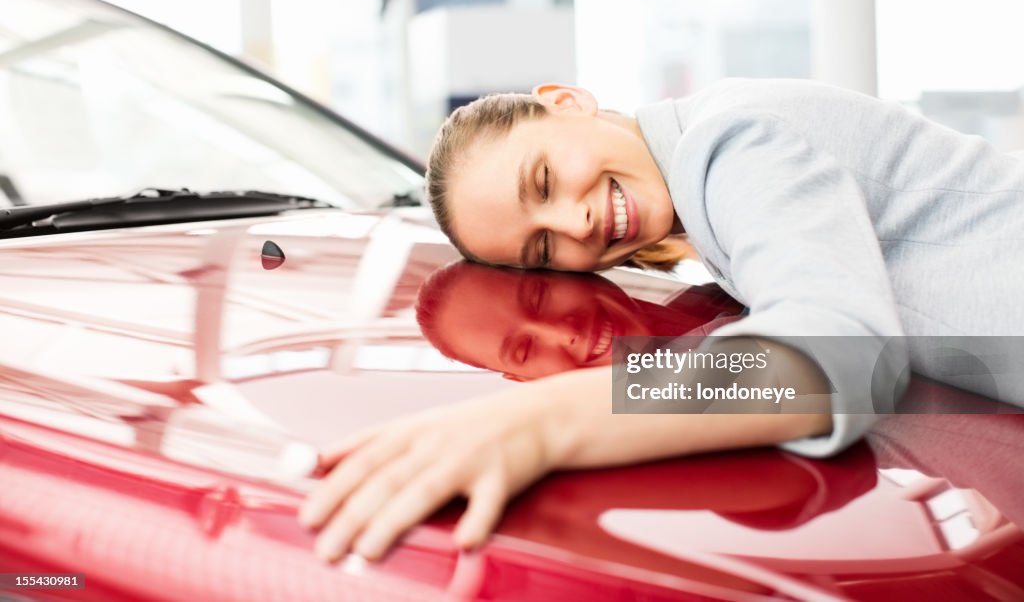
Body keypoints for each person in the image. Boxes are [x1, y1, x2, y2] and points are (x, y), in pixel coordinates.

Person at [299, 78, 1024, 563]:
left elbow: (841, 355)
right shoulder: (707, 194)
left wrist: (538, 419)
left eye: (544, 181)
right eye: (545, 249)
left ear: (567, 100)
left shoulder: (731, 143)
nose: (575, 221)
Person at [415, 260, 745, 380]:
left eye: (538, 297)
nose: (563, 332)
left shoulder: (722, 278)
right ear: (524, 380)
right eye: (525, 349)